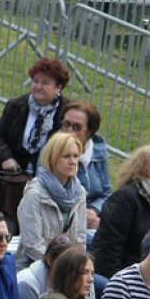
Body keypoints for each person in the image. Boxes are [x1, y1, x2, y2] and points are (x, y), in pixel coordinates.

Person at [0, 57, 69, 230]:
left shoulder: (68, 112)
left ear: (58, 87)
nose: (38, 87)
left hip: (51, 173)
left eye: (45, 83)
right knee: (13, 188)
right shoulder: (16, 105)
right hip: (18, 173)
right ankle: (9, 233)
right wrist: (5, 158)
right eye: (35, 81)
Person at [15, 132, 86, 268]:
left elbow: (81, 239)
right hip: (35, 265)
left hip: (69, 266)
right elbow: (32, 245)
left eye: (75, 156)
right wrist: (60, 266)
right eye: (66, 156)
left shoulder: (80, 193)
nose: (73, 162)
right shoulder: (34, 194)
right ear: (52, 158)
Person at [92, 144, 150, 279]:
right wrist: (118, 285)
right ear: (143, 168)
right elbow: (108, 250)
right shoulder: (125, 198)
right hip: (123, 280)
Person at [18, 234, 99, 299]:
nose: (90, 278)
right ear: (50, 260)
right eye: (68, 262)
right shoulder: (27, 283)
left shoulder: (85, 279)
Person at [62, 100, 112, 236]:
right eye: (66, 124)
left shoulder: (99, 151)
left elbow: (106, 194)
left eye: (76, 127)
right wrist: (82, 217)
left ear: (89, 131)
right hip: (65, 222)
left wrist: (93, 210)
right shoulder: (52, 151)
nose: (69, 131)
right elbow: (52, 196)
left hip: (93, 217)